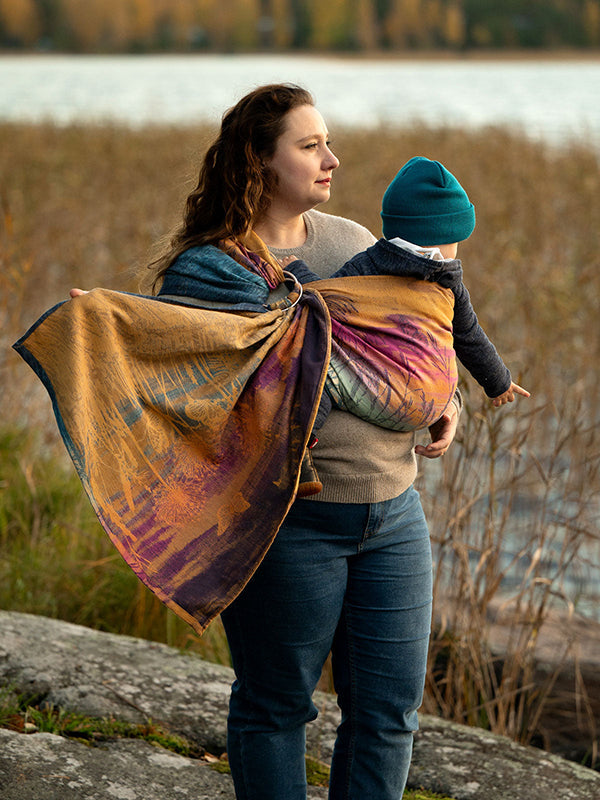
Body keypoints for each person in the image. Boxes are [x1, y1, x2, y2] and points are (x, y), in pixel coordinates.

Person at [73, 83, 460, 800]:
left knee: (389, 715)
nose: (332, 159)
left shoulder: (355, 243)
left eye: (329, 143)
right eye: (310, 146)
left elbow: (417, 338)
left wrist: (448, 398)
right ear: (260, 159)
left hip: (394, 516)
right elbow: (178, 386)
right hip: (288, 524)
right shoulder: (210, 271)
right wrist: (107, 324)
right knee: (276, 706)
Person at [282, 156, 529, 494]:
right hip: (433, 405)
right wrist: (499, 382)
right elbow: (470, 336)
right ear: (447, 234)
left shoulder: (371, 262)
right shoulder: (448, 282)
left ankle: (298, 453)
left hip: (378, 394)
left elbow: (327, 304)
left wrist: (297, 271)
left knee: (320, 371)